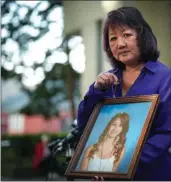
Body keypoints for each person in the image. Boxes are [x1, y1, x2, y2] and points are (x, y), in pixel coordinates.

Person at [77, 6, 171, 180]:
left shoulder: (165, 77)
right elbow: (84, 126)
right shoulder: (106, 80)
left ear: (142, 37)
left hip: (153, 174)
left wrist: (122, 164)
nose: (119, 44)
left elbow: (166, 132)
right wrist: (96, 90)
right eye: (113, 38)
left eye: (127, 35)